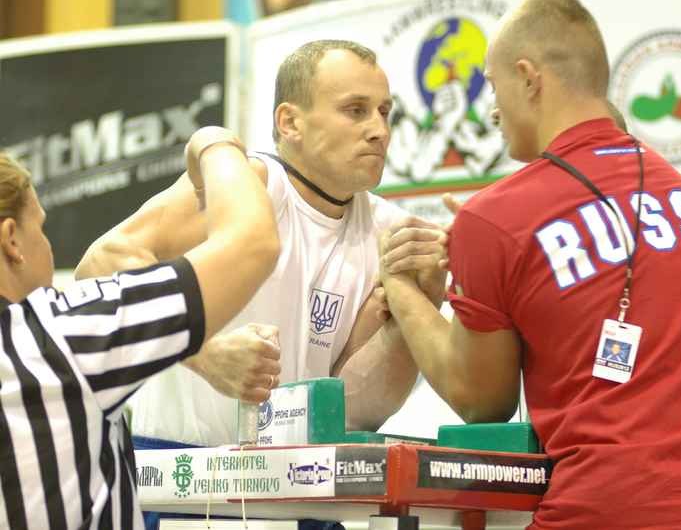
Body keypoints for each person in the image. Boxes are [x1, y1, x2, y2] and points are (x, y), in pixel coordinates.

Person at [377, 0, 681, 528]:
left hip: (604, 511)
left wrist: (401, 286)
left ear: (528, 78)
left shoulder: (495, 215)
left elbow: (481, 400)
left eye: (492, 88)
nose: (493, 111)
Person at [76, 40, 446, 448]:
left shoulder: (388, 232)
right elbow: (99, 265)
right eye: (355, 110)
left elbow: (351, 408)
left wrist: (414, 313)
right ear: (290, 123)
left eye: (384, 112)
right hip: (182, 477)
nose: (379, 130)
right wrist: (203, 351)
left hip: (298, 481)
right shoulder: (245, 183)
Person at [0, 127, 281, 529]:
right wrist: (213, 143)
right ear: (12, 240)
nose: (48, 246)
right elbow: (252, 244)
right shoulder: (61, 334)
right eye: (40, 229)